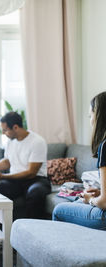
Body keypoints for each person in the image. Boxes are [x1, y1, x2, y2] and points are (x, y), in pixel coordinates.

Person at [0, 112, 51, 219]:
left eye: (5, 130)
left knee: (35, 192)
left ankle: (31, 229)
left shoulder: (37, 141)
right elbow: (7, 162)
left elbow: (31, 173)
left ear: (15, 127)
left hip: (36, 179)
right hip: (16, 180)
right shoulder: (11, 142)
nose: (3, 133)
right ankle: (0, 229)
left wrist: (2, 176)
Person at [53, 92, 106, 230]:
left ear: (99, 116)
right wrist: (101, 192)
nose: (91, 121)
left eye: (91, 115)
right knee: (77, 200)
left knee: (59, 211)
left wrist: (91, 200)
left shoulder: (105, 146)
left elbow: (104, 203)